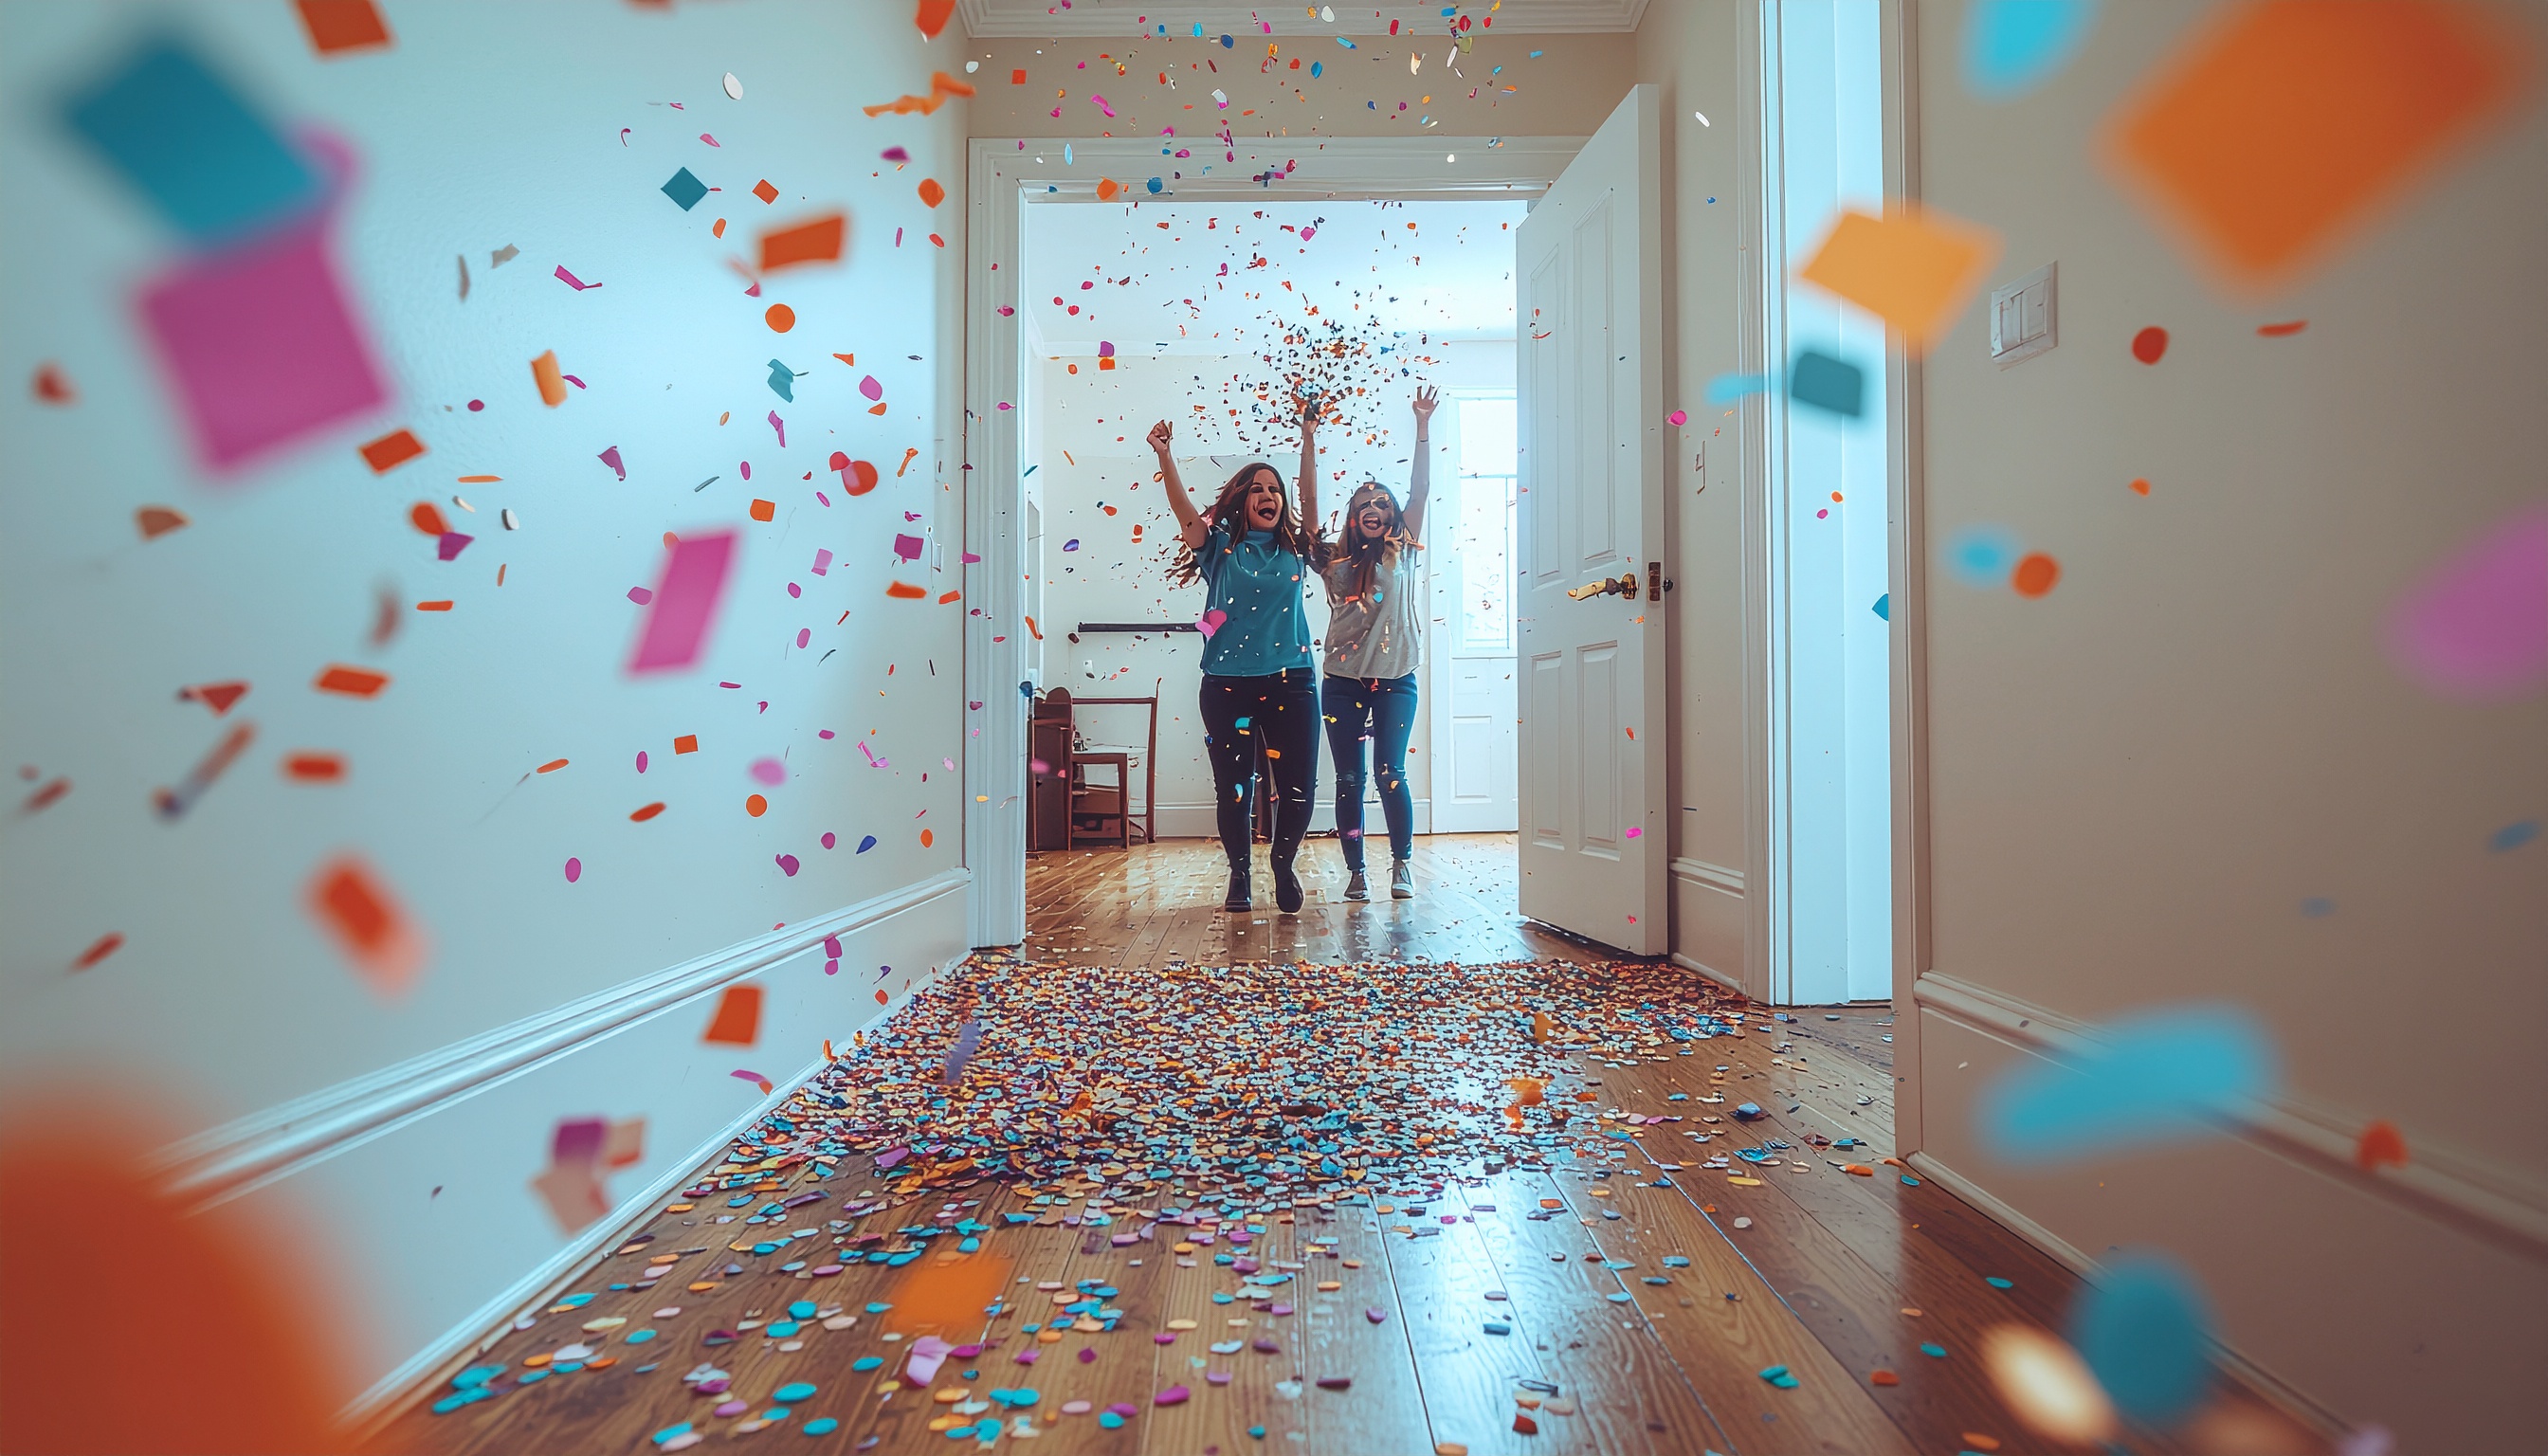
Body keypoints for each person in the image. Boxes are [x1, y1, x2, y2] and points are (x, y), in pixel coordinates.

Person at [1153, 399, 1323, 914]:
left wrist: (1308, 433)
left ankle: (1283, 863)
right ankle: (1240, 874)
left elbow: (1310, 498)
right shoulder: (1219, 547)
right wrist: (1165, 455)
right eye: (1258, 489)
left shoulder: (1297, 548)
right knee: (1234, 788)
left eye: (1275, 490)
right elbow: (1185, 512)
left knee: (1298, 787)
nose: (1268, 495)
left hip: (1292, 682)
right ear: (1241, 500)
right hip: (1227, 686)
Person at [1316, 386, 1435, 901]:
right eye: (1364, 504)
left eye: (1381, 504)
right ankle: (1357, 872)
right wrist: (1307, 436)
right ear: (1352, 515)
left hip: (1396, 678)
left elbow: (1421, 490)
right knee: (1348, 779)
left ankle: (1401, 865)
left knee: (1391, 772)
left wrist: (1422, 426)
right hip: (1342, 682)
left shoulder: (1404, 550)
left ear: (1390, 516)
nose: (1374, 509)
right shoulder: (1333, 561)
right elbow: (1306, 503)